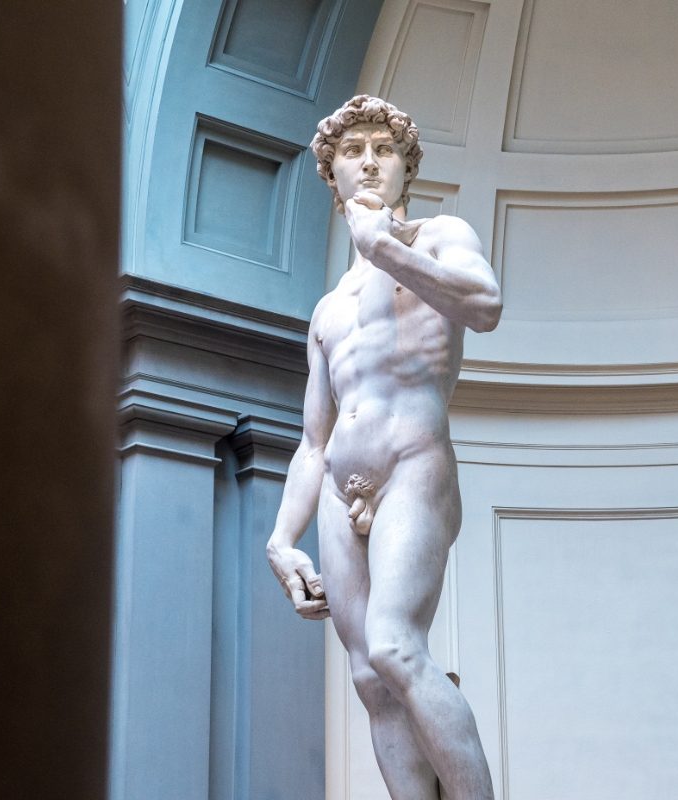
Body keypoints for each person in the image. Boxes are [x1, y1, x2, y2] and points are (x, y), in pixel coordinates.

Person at [266, 95, 500, 800]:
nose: (368, 161)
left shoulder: (437, 236)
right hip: (342, 486)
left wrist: (384, 248)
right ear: (330, 174)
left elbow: (484, 306)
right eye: (352, 151)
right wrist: (282, 539)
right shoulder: (328, 308)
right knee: (371, 678)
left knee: (397, 646)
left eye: (384, 149)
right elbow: (314, 440)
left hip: (413, 465)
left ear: (405, 170)